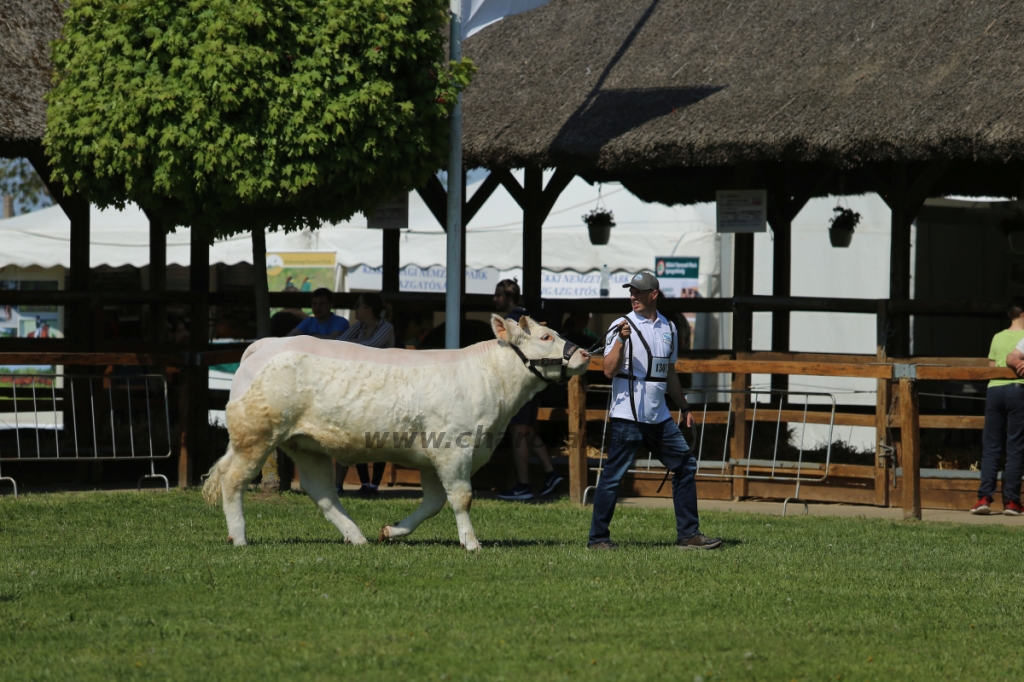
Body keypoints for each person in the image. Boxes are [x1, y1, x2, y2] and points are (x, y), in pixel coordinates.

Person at [588, 271, 721, 550]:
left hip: (659, 416)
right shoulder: (620, 325)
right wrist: (622, 341)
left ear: (654, 295)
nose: (632, 296)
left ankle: (688, 535)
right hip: (628, 416)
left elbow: (668, 372)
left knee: (685, 465)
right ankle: (598, 538)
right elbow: (608, 370)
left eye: (638, 291)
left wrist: (684, 407)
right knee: (613, 477)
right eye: (631, 291)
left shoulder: (668, 327)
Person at [492, 279, 564, 501]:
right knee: (529, 432)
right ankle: (551, 474)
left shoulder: (513, 321)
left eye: (498, 295)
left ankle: (523, 485)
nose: (495, 299)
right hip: (534, 384)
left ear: (508, 297)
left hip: (521, 385)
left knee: (519, 433)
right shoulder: (529, 317)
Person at [335, 292, 396, 495]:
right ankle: (364, 482)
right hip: (360, 387)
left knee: (379, 437)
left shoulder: (386, 327)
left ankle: (374, 484)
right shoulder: (359, 327)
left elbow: (370, 347)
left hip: (382, 388)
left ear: (368, 310)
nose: (355, 309)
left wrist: (353, 344)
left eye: (358, 306)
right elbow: (340, 342)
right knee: (358, 435)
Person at [979, 298, 1024, 514]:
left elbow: (990, 367)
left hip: (995, 390)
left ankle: (984, 498)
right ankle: (1012, 501)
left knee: (991, 445)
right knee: (1015, 445)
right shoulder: (1023, 338)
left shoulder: (997, 337)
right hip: (1018, 389)